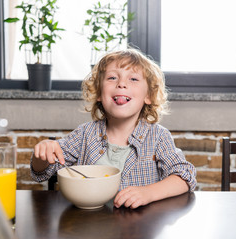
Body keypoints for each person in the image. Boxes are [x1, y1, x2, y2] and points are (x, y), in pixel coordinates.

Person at [31, 48, 196, 209]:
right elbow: (42, 173)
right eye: (112, 78)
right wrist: (43, 155)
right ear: (99, 94)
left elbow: (185, 176)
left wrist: (148, 193)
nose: (121, 84)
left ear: (148, 96)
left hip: (142, 228)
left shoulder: (158, 137)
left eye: (133, 79)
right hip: (89, 225)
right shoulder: (84, 134)